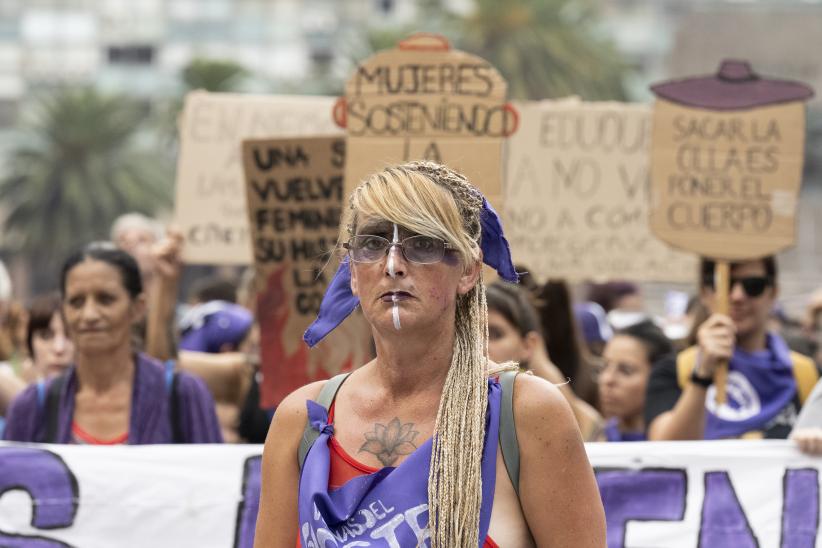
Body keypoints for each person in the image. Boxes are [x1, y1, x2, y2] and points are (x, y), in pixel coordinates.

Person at [254, 162, 605, 546]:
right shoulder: (300, 419)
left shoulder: (526, 413)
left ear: (469, 271)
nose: (392, 266)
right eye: (372, 244)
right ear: (352, 272)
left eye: (422, 243)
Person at [3, 242, 222, 444]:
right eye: (76, 302)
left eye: (105, 299)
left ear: (137, 308)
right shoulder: (33, 407)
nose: (89, 314)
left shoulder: (183, 396)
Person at [646, 257, 818, 440]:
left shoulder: (806, 374)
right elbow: (665, 451)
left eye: (753, 285)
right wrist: (701, 377)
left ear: (773, 293)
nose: (737, 296)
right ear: (705, 293)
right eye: (723, 284)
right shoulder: (674, 369)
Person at [486, 281, 604, 441]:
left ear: (528, 345)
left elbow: (586, 426)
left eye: (494, 334)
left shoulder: (539, 404)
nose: (480, 345)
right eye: (469, 333)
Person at [598, 320, 673, 442]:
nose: (607, 379)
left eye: (625, 370)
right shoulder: (599, 435)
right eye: (603, 367)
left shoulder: (694, 433)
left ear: (659, 376)